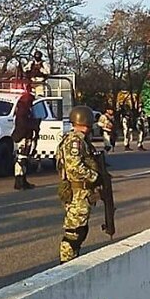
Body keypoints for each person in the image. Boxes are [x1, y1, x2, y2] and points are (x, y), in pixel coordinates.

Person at [56, 106, 102, 263]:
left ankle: (72, 259)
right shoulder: (74, 141)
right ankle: (66, 264)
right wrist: (94, 177)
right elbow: (74, 167)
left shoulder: (79, 140)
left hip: (81, 192)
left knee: (80, 229)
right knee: (74, 232)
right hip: (77, 192)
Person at [11, 88, 39, 190]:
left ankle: (23, 180)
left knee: (23, 159)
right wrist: (34, 125)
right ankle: (19, 182)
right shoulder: (23, 110)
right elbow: (23, 124)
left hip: (24, 136)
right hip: (22, 137)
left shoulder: (24, 109)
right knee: (21, 159)